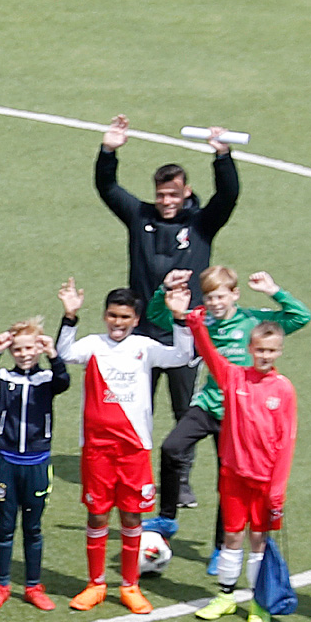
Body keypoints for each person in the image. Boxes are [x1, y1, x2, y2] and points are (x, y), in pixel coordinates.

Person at [146, 266, 311, 558]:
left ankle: (220, 547)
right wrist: (164, 290)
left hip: (239, 416)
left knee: (227, 481)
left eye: (221, 296)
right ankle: (167, 518)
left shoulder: (253, 320)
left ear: (235, 294)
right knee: (172, 447)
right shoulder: (202, 319)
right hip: (208, 404)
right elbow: (157, 316)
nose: (215, 303)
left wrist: (274, 291)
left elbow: (301, 316)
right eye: (209, 297)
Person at [58, 279, 199, 613]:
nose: (117, 322)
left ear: (136, 319)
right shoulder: (93, 345)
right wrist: (70, 316)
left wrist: (180, 319)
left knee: (132, 515)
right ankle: (95, 584)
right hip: (97, 448)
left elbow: (182, 355)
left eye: (124, 317)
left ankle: (129, 586)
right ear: (105, 316)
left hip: (134, 448)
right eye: (112, 315)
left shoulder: (144, 347)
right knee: (97, 515)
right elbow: (64, 353)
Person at [95, 115, 242, 425]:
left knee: (185, 414)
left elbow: (228, 196)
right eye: (161, 194)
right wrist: (108, 151)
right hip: (142, 333)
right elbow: (107, 187)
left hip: (185, 334)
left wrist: (222, 157)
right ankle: (137, 460)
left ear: (186, 191)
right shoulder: (139, 216)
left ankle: (181, 461)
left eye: (173, 194)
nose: (166, 201)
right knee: (134, 408)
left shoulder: (201, 224)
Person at [182, 303, 299, 622]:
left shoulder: (283, 389)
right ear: (250, 349)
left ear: (279, 351)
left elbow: (286, 442)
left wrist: (277, 489)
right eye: (260, 350)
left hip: (264, 481)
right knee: (232, 536)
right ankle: (225, 596)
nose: (264, 355)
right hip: (233, 475)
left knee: (258, 540)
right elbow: (210, 356)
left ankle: (259, 602)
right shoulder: (234, 378)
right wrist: (196, 326)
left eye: (271, 351)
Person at [0, 318, 70, 612]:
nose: (24, 354)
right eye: (17, 349)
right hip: (6, 463)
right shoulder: (5, 378)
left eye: (29, 348)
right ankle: (1, 584)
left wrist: (54, 355)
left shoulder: (47, 379)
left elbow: (64, 381)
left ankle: (33, 586)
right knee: (5, 526)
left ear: (39, 348)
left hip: (38, 464)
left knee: (33, 527)